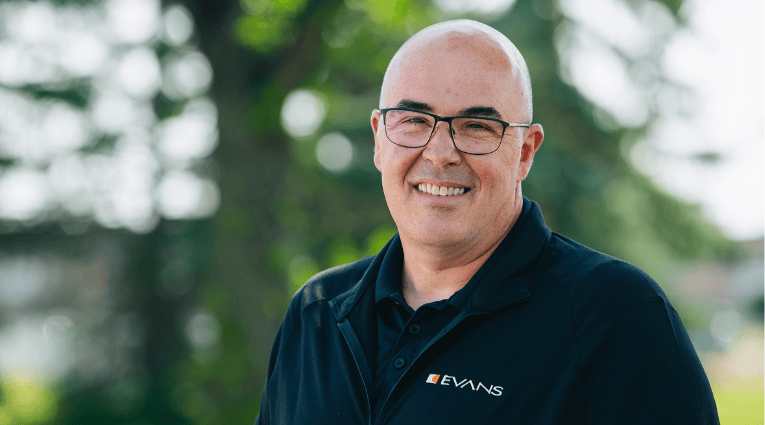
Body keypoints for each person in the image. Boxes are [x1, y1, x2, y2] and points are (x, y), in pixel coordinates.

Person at [255, 19, 719, 424]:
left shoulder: (616, 318)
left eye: (477, 127)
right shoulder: (315, 314)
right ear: (379, 139)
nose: (439, 153)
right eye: (414, 119)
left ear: (525, 152)